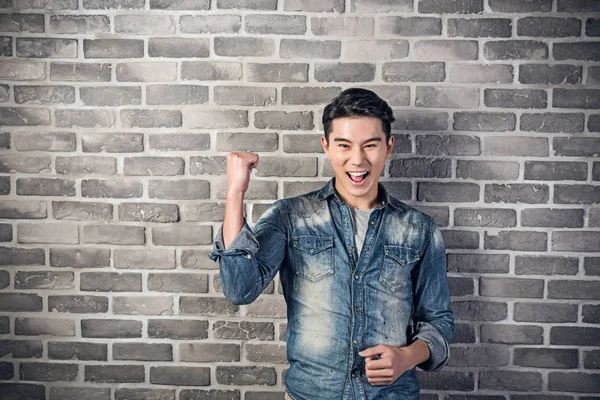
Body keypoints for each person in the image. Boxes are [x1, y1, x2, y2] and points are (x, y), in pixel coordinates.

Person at [209, 88, 455, 400]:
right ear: (326, 146)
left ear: (389, 147)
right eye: (344, 145)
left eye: (370, 145)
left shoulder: (420, 229)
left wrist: (407, 356)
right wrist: (235, 194)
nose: (357, 160)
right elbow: (239, 288)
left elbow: (439, 321)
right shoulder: (291, 216)